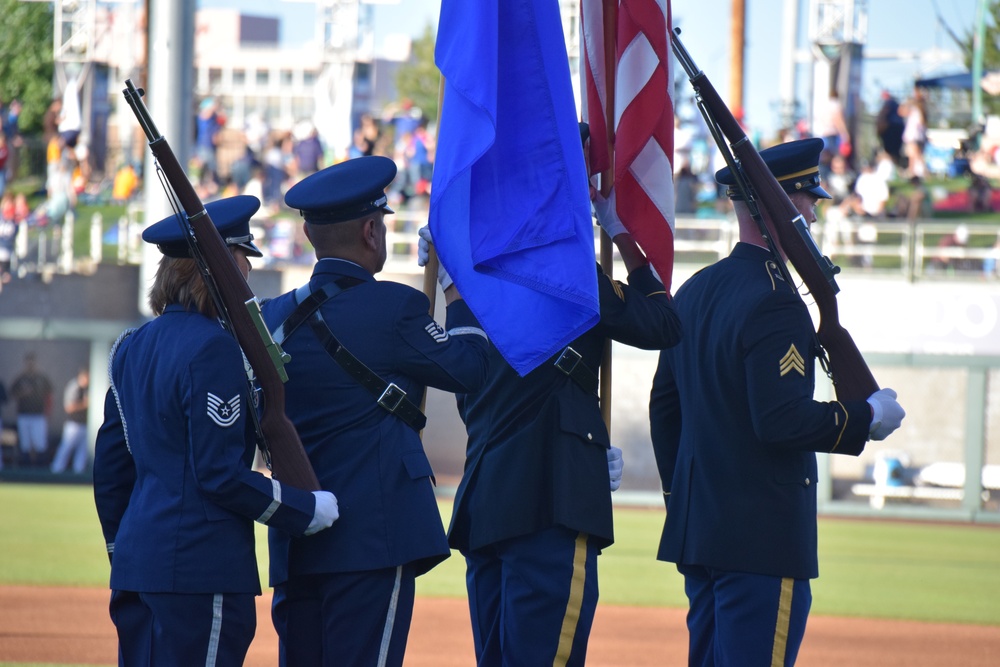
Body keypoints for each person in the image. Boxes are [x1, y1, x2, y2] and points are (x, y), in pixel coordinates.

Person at [649, 137, 905, 666]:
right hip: (761, 540)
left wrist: (685, 500)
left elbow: (664, 411)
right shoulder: (776, 302)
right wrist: (867, 417)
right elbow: (781, 421)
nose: (812, 213)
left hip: (703, 533)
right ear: (779, 208)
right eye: (805, 201)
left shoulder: (695, 291)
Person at [438, 123, 683, 666]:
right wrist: (620, 233)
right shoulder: (564, 266)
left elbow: (470, 388)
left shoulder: (473, 271)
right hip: (554, 492)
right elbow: (666, 326)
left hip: (488, 497)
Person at [260, 155, 491, 666]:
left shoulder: (273, 317)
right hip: (374, 537)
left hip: (299, 536)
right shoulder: (395, 308)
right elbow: (471, 369)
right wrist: (455, 288)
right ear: (370, 230)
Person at [93, 195, 340, 666]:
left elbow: (111, 470)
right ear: (219, 268)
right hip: (198, 571)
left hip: (136, 566)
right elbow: (218, 474)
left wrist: (125, 549)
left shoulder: (130, 346)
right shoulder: (214, 349)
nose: (246, 274)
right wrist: (303, 508)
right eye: (241, 259)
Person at [10, 351, 53, 467]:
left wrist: (48, 412)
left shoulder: (41, 378)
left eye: (32, 363)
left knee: (40, 443)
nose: (30, 365)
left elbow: (49, 395)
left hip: (38, 415)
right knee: (25, 444)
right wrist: (23, 393)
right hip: (24, 415)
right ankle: (26, 468)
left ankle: (40, 468)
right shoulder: (20, 379)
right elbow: (12, 395)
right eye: (28, 363)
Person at [50, 367, 90, 474]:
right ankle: (56, 470)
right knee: (66, 447)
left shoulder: (89, 388)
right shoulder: (74, 387)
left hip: (86, 424)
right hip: (73, 424)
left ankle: (79, 472)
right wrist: (84, 405)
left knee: (83, 450)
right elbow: (69, 408)